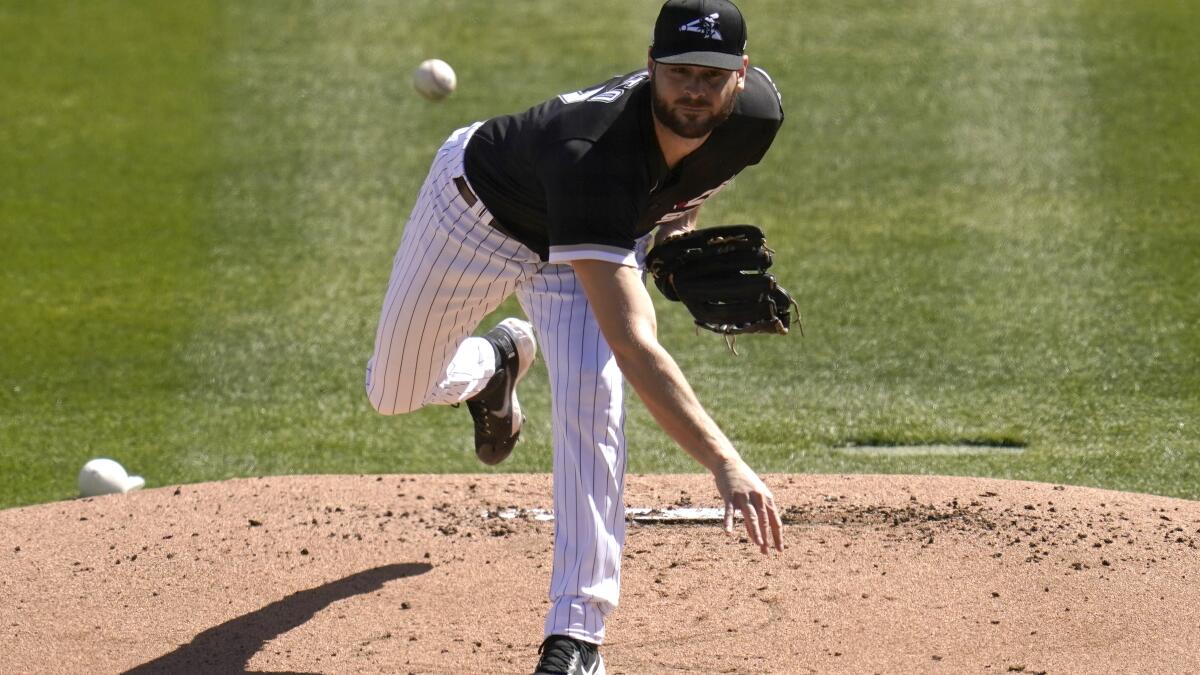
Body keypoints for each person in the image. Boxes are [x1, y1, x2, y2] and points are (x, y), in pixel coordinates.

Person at [365, 0, 785, 672]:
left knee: (593, 406)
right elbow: (636, 345)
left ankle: (577, 636)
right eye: (679, 73)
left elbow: (692, 180)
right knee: (394, 390)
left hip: (590, 238)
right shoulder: (591, 152)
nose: (695, 91)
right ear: (651, 69)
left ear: (741, 75)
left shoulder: (755, 119)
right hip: (477, 217)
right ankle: (497, 361)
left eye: (711, 75)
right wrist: (724, 462)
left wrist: (672, 234)